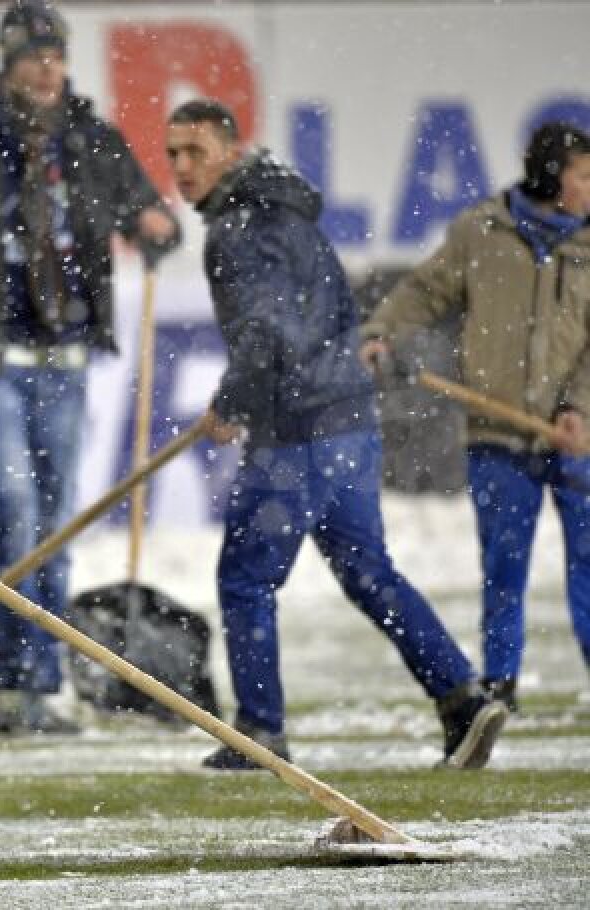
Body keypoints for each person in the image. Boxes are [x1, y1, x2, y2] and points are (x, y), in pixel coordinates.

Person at [165, 99, 507, 770]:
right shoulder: (288, 211)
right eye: (173, 152)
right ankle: (462, 697)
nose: (181, 167)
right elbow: (323, 314)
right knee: (369, 573)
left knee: (245, 579)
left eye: (195, 151)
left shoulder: (239, 226)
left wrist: (231, 403)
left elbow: (266, 331)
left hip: (295, 434)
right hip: (348, 420)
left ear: (231, 153)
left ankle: (258, 732)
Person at [0, 1, 180, 735]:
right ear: (7, 62)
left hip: (69, 356)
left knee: (56, 521)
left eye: (56, 56)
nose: (48, 69)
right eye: (33, 57)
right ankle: (17, 684)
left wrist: (157, 225)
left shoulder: (93, 141)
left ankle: (43, 683)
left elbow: (148, 213)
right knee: (19, 515)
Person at [361, 122, 590, 712]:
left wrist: (578, 409)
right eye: (584, 176)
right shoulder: (481, 231)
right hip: (497, 434)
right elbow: (427, 290)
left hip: (577, 438)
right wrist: (384, 330)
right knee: (502, 567)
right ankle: (501, 681)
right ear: (549, 174)